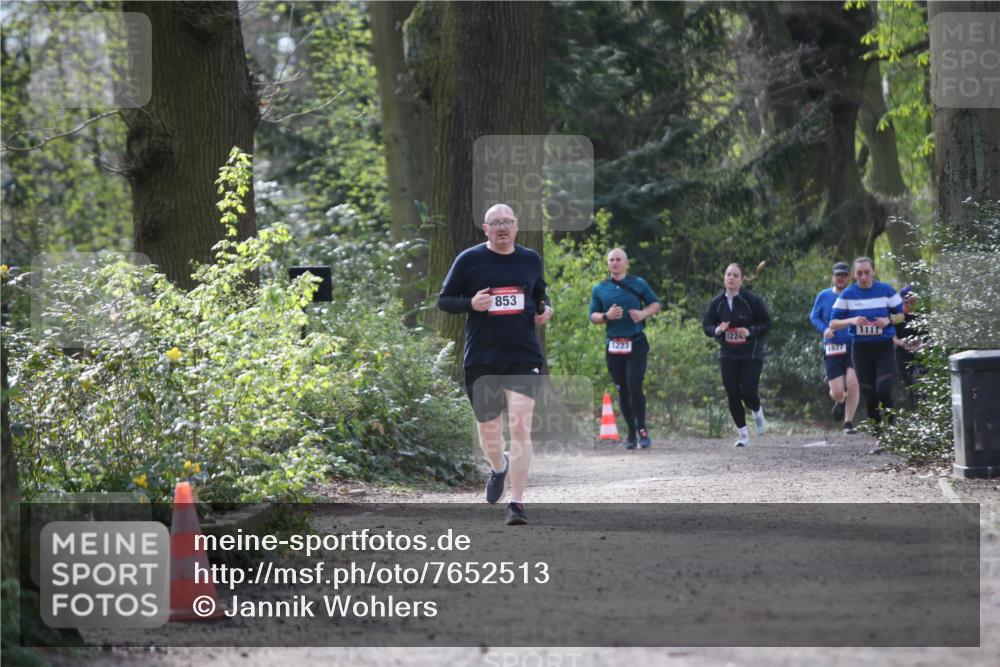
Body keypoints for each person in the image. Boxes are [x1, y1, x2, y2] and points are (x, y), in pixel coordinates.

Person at [437, 203, 553, 526]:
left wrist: (546, 310)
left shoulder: (530, 260)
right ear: (485, 229)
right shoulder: (469, 260)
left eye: (508, 222)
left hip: (523, 356)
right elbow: (444, 300)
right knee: (490, 433)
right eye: (495, 223)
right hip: (482, 359)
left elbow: (540, 295)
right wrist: (471, 303)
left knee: (519, 426)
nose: (502, 227)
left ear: (516, 227)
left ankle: (516, 503)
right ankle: (498, 466)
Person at [589, 248, 661, 449]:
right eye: (611, 260)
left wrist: (643, 312)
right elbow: (593, 316)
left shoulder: (638, 284)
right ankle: (631, 432)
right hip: (613, 346)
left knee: (634, 383)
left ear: (626, 263)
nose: (615, 263)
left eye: (618, 259)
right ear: (608, 264)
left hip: (636, 342)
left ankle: (642, 428)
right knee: (622, 390)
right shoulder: (600, 288)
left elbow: (655, 304)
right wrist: (606, 316)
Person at [829, 257, 903, 434]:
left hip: (883, 347)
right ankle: (878, 436)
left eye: (867, 272)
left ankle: (893, 424)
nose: (863, 277)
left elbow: (902, 316)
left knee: (883, 390)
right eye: (859, 273)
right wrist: (852, 320)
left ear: (873, 272)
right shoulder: (847, 294)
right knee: (869, 395)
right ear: (854, 275)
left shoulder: (886, 290)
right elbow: (833, 323)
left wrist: (888, 320)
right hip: (861, 350)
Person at [702, 263, 771, 447]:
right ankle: (743, 436)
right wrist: (718, 329)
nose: (731, 278)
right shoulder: (717, 303)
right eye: (728, 275)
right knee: (732, 393)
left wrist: (749, 331)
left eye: (735, 275)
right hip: (728, 353)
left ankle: (757, 411)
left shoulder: (752, 300)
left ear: (742, 279)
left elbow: (766, 324)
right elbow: (706, 325)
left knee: (748, 392)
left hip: (751, 353)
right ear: (724, 278)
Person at [809, 261, 861, 434]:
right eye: (837, 275)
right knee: (838, 391)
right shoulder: (823, 296)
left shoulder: (856, 294)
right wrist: (824, 330)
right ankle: (840, 401)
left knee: (852, 382)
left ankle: (848, 423)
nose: (840, 278)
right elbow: (814, 317)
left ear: (849, 277)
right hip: (833, 346)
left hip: (854, 344)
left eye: (844, 275)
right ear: (833, 276)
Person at [893, 285, 925, 407]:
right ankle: (914, 409)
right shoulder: (897, 317)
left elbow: (929, 337)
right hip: (903, 355)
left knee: (919, 383)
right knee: (910, 385)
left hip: (920, 354)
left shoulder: (921, 316)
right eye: (906, 302)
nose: (909, 304)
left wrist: (921, 345)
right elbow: (891, 335)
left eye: (912, 301)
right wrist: (902, 343)